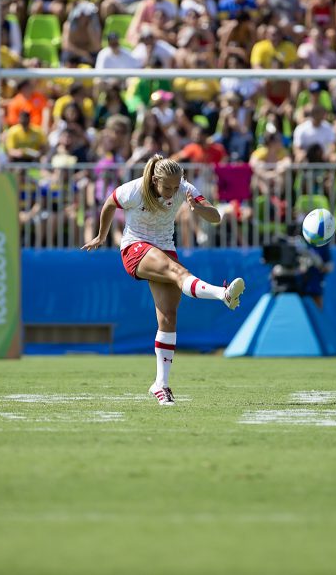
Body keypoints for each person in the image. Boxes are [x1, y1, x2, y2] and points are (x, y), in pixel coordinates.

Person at [81, 155, 246, 406]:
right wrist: (102, 236)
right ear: (155, 180)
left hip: (165, 248)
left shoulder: (185, 189)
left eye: (176, 186)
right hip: (135, 248)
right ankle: (222, 294)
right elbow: (109, 203)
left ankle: (161, 384)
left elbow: (216, 217)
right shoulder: (135, 189)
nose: (172, 192)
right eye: (167, 187)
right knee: (178, 272)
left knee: (168, 316)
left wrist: (198, 208)